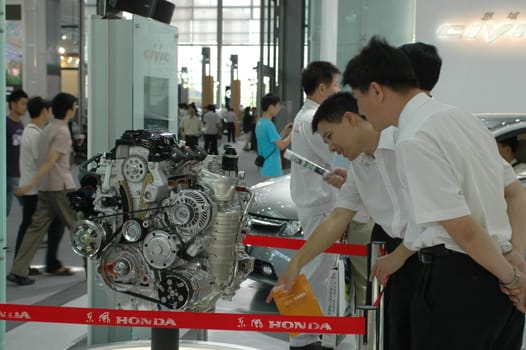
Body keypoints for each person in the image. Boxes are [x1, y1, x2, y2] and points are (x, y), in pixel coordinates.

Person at [345, 36, 526, 349]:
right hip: (496, 276)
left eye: (358, 99)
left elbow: (464, 230)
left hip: (459, 284)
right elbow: (515, 193)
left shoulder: (414, 139)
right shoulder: (461, 118)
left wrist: (515, 279)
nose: (360, 111)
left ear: (376, 90)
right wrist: (515, 263)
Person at [269, 92, 415, 350]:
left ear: (350, 119)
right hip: (395, 255)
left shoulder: (407, 145)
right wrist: (296, 263)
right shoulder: (360, 164)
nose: (331, 148)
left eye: (329, 137)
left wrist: (401, 254)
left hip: (429, 255)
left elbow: (437, 215)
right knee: (395, 332)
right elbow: (337, 218)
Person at [288, 61, 344, 350]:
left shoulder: (303, 116)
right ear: (322, 88)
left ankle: (306, 335)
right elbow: (338, 154)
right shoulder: (312, 120)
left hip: (315, 202)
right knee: (315, 273)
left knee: (315, 270)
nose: (338, 90)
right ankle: (303, 338)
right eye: (336, 85)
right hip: (319, 203)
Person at [7, 92, 79, 286]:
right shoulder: (62, 131)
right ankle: (96, 271)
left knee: (35, 228)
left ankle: (18, 269)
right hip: (60, 186)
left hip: (46, 187)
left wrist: (35, 183)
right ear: (69, 109)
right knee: (80, 226)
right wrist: (29, 185)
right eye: (74, 106)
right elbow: (49, 161)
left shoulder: (46, 129)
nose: (75, 109)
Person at [14, 96, 67, 276]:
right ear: (44, 112)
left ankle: (24, 265)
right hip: (35, 188)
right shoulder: (35, 134)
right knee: (35, 226)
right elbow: (43, 162)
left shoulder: (31, 131)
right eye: (49, 111)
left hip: (31, 187)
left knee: (31, 225)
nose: (50, 114)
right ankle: (29, 265)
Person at [255, 93, 292, 178]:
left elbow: (274, 141)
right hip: (272, 167)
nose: (278, 110)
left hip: (265, 166)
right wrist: (292, 135)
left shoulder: (260, 122)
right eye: (277, 107)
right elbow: (281, 146)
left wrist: (285, 131)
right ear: (271, 107)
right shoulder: (269, 125)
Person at [6, 89, 28, 216]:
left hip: (18, 173)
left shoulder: (20, 124)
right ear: (13, 104)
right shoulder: (6, 124)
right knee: (5, 209)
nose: (25, 107)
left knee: (27, 207)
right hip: (8, 173)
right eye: (23, 103)